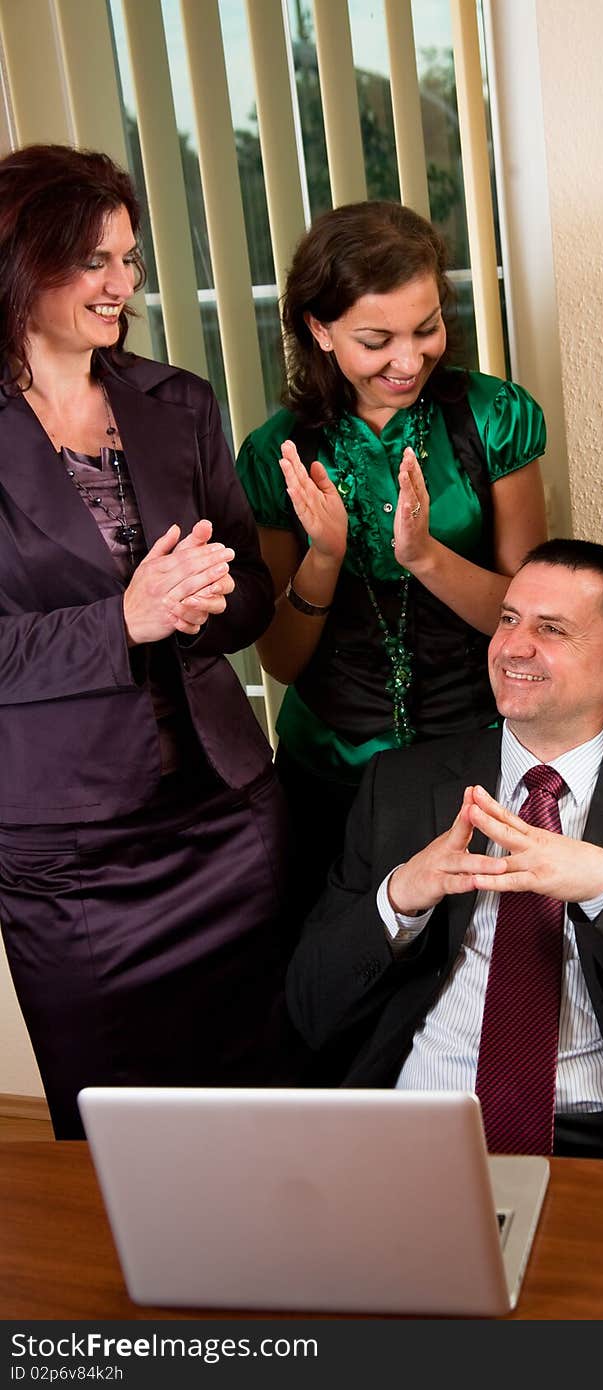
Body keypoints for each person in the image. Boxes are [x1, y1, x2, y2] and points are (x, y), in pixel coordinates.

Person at [287, 540, 603, 1165]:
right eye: (508, 619)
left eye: (551, 629)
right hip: (417, 1125)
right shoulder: (402, 786)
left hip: (602, 1140)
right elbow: (309, 1005)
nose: (513, 646)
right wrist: (397, 901)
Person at [0, 145, 291, 1139]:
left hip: (229, 816)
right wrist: (123, 619)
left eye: (128, 256)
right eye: (94, 260)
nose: (124, 283)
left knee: (272, 1096)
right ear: (18, 263)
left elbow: (254, 591)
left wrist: (214, 603)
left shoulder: (180, 402)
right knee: (117, 1137)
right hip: (71, 856)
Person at [236, 201, 547, 916]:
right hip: (327, 776)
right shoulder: (275, 454)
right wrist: (325, 555)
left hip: (479, 762)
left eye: (427, 328)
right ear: (319, 330)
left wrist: (424, 556)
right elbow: (280, 662)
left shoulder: (495, 417)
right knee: (341, 981)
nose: (409, 360)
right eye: (377, 339)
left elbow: (534, 621)